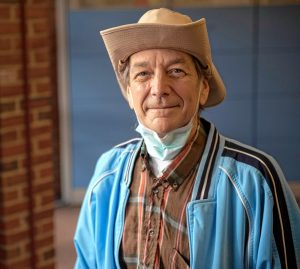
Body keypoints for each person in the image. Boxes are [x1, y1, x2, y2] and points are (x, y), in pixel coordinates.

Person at [74, 8, 300, 269]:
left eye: (177, 71)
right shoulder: (108, 172)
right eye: (143, 74)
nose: (159, 89)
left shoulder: (255, 180)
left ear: (203, 88)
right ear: (129, 92)